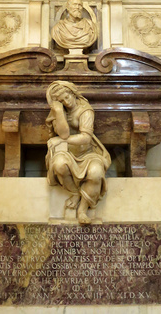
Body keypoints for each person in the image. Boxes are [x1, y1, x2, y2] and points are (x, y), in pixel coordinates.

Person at [45, 81, 111, 224]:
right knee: (59, 165)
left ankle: (82, 209)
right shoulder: (59, 111)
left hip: (88, 153)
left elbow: (86, 138)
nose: (66, 102)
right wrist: (58, 112)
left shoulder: (85, 110)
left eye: (67, 97)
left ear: (72, 93)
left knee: (96, 173)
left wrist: (62, 141)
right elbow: (63, 134)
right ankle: (75, 193)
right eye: (61, 101)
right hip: (66, 152)